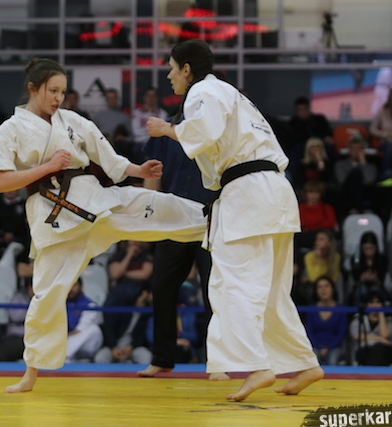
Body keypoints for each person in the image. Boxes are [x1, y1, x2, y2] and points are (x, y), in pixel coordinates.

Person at [0, 57, 206, 393]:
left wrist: (138, 171)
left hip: (93, 200)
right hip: (54, 218)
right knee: (47, 295)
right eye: (52, 91)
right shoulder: (9, 131)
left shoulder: (72, 121)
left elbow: (109, 158)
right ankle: (30, 374)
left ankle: (211, 219)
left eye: (62, 91)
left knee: (148, 203)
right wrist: (47, 168)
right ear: (33, 88)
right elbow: (2, 181)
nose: (58, 98)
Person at [146, 39, 322, 401]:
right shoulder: (232, 95)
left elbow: (202, 132)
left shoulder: (202, 91)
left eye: (172, 68)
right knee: (272, 290)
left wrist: (166, 129)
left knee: (233, 284)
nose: (169, 76)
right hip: (274, 191)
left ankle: (257, 367)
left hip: (248, 194)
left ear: (187, 69)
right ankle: (304, 364)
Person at [138, 126, 218, 379]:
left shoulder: (215, 125)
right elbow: (153, 171)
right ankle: (161, 358)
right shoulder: (165, 128)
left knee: (214, 291)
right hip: (173, 217)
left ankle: (218, 362)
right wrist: (148, 212)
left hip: (211, 217)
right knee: (161, 286)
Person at [94, 286, 153, 364]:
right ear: (145, 293)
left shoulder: (147, 313)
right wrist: (113, 347)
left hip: (133, 348)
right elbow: (109, 328)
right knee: (100, 358)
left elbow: (142, 336)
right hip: (114, 346)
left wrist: (131, 346)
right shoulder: (123, 306)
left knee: (146, 357)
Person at [304, 276, 347, 365]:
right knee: (313, 358)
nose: (323, 289)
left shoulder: (340, 309)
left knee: (332, 359)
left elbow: (341, 334)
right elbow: (309, 332)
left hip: (335, 347)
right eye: (319, 287)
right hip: (315, 346)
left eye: (326, 286)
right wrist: (319, 347)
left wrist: (328, 348)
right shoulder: (312, 309)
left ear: (333, 289)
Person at [0, 281, 33, 362]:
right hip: (17, 337)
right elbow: (15, 317)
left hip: (35, 338)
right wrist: (32, 308)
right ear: (29, 288)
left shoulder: (45, 299)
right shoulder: (18, 298)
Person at [349, 292, 392, 366]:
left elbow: (384, 335)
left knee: (379, 348)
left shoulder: (389, 321)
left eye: (378, 302)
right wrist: (379, 339)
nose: (375, 305)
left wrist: (381, 315)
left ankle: (369, 372)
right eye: (371, 302)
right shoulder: (359, 319)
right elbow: (357, 336)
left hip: (385, 351)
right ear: (366, 305)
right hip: (364, 350)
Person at [334, 134, 377, 216]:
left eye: (359, 148)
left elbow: (369, 180)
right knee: (355, 173)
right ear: (349, 150)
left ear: (363, 150)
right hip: (346, 192)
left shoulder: (371, 166)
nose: (356, 151)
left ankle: (358, 210)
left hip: (365, 191)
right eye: (353, 148)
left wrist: (363, 163)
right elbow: (342, 181)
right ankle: (358, 209)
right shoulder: (340, 164)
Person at [65, 278, 103, 362]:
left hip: (85, 346)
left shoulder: (90, 305)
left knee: (95, 329)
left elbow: (80, 330)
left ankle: (64, 355)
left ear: (81, 287)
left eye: (74, 285)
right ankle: (67, 357)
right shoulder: (61, 304)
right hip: (65, 344)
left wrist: (62, 339)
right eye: (69, 285)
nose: (71, 288)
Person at [349, 231, 389, 305]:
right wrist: (362, 279)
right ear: (362, 248)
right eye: (366, 248)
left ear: (376, 247)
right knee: (362, 290)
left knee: (375, 290)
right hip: (360, 286)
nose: (369, 251)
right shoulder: (355, 259)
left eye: (371, 248)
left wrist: (375, 279)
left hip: (378, 286)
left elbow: (383, 280)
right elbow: (355, 280)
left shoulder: (383, 259)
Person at [296, 180, 337, 251]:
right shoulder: (300, 208)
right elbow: (299, 223)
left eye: (316, 192)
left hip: (320, 235)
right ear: (306, 194)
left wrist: (309, 227)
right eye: (311, 192)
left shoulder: (327, 208)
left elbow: (331, 224)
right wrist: (319, 223)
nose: (313, 196)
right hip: (304, 237)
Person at [130, 87, 168, 163]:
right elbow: (136, 132)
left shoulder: (163, 114)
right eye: (148, 95)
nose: (151, 98)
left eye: (154, 96)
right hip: (140, 143)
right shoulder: (137, 113)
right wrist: (152, 130)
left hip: (157, 144)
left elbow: (163, 131)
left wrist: (146, 130)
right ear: (144, 97)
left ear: (157, 98)